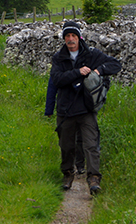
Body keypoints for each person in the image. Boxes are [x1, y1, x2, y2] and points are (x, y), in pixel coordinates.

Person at [50, 20, 121, 196]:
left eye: (73, 35)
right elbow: (57, 79)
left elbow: (116, 65)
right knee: (66, 146)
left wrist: (98, 71)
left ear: (79, 37)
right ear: (64, 38)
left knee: (91, 145)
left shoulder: (91, 54)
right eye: (67, 36)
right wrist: (77, 72)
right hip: (65, 109)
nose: (70, 39)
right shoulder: (59, 58)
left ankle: (94, 179)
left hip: (87, 109)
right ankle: (68, 174)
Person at [45, 76, 86, 174]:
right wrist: (49, 108)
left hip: (82, 106)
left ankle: (80, 164)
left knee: (81, 136)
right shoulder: (60, 63)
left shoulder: (84, 62)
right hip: (65, 107)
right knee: (66, 139)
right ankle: (69, 168)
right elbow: (52, 85)